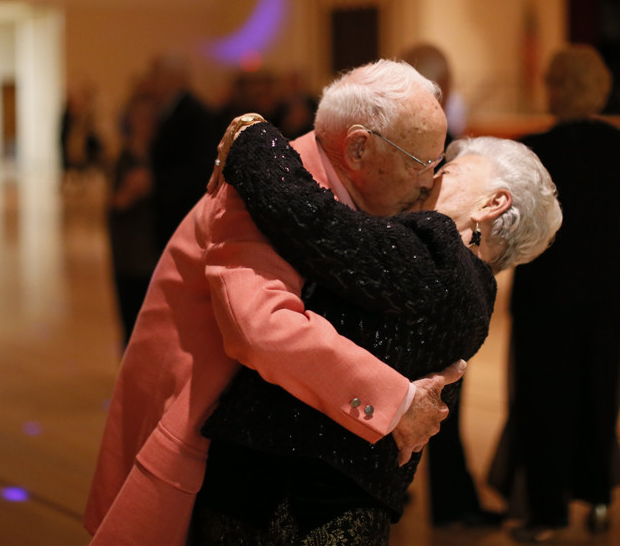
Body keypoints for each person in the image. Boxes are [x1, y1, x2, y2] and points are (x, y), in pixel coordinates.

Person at [84, 60, 469, 546]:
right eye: (419, 164)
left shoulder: (316, 178)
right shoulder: (263, 187)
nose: (425, 184)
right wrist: (396, 403)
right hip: (190, 425)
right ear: (357, 147)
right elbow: (260, 328)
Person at [189, 115, 562, 545]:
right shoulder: (473, 293)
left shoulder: (439, 255)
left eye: (447, 171)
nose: (428, 179)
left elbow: (311, 221)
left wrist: (253, 134)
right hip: (330, 507)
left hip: (297, 508)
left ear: (492, 203)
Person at [486, 44, 620, 543]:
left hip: (548, 294)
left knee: (544, 401)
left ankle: (547, 513)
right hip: (606, 291)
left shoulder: (534, 152)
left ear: (556, 87)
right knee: (597, 394)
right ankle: (597, 499)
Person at [400, 42, 496, 527]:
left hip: (397, 286)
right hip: (437, 291)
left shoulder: (390, 144)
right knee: (443, 402)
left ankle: (407, 492)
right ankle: (454, 505)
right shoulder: (448, 148)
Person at [147, 53, 219, 252]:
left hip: (181, 210)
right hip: (173, 208)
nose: (151, 81)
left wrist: (155, 181)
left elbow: (199, 168)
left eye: (155, 75)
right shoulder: (173, 110)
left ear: (173, 78)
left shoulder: (192, 114)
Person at [107, 87, 159, 351]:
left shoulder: (161, 158)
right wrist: (131, 191)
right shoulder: (124, 159)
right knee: (132, 326)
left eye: (151, 117)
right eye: (141, 117)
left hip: (156, 254)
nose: (146, 123)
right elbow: (114, 205)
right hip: (130, 258)